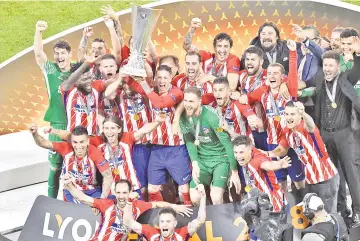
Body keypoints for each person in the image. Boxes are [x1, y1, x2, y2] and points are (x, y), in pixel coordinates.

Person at [239, 41, 305, 192]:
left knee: (299, 182)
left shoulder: (289, 89)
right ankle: (283, 210)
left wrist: (293, 53)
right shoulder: (263, 91)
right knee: (279, 183)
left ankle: (304, 208)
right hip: (272, 142)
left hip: (291, 144)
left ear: (283, 76)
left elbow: (293, 75)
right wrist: (250, 116)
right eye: (269, 73)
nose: (272, 76)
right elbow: (243, 101)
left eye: (276, 73)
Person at [46, 114, 164, 196]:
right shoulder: (97, 141)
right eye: (106, 128)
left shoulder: (127, 138)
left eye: (113, 128)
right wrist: (54, 131)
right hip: (111, 192)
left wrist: (158, 121)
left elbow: (143, 131)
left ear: (119, 129)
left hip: (132, 189)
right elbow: (71, 136)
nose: (109, 131)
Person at [127, 65, 192, 205]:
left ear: (171, 79)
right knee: (152, 189)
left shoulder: (177, 93)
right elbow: (130, 83)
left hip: (176, 148)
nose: (162, 81)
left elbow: (160, 103)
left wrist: (144, 84)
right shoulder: (152, 91)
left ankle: (188, 215)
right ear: (155, 79)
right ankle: (161, 216)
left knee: (183, 189)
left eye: (165, 78)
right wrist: (128, 71)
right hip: (156, 149)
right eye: (159, 77)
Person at [311, 49, 360, 224]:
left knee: (351, 174)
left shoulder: (345, 79)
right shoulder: (319, 79)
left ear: (338, 66)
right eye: (325, 65)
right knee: (332, 175)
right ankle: (340, 209)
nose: (327, 69)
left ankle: (358, 211)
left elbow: (357, 69)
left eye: (331, 65)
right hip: (325, 134)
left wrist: (357, 55)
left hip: (344, 134)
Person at [62, 178, 192, 241]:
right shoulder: (107, 204)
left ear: (130, 192)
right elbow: (83, 198)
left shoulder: (137, 206)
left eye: (124, 193)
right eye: (118, 193)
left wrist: (175, 206)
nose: (121, 196)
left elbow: (157, 204)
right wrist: (69, 186)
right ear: (115, 192)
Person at [267, 101, 339, 212]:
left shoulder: (305, 127)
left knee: (328, 216)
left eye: (292, 114)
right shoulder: (287, 131)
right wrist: (265, 154)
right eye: (286, 114)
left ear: (300, 116)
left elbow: (310, 125)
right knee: (313, 216)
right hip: (310, 181)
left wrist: (304, 113)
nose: (288, 117)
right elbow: (282, 150)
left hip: (325, 179)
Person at [179, 87, 241, 205]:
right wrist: (195, 163)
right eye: (185, 101)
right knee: (195, 196)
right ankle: (206, 221)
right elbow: (190, 141)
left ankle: (221, 221)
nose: (187, 105)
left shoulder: (212, 117)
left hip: (220, 159)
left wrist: (234, 172)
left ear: (199, 102)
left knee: (216, 197)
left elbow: (227, 143)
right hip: (202, 160)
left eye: (191, 101)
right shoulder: (183, 117)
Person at [34, 20, 72, 198]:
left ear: (69, 54)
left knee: (77, 166)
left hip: (77, 124)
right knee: (55, 167)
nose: (58, 56)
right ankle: (50, 202)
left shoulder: (78, 70)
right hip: (57, 124)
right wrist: (39, 32)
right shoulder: (50, 70)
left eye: (62, 53)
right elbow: (38, 54)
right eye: (56, 53)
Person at [29, 124, 113, 202]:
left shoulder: (94, 152)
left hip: (92, 191)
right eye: (75, 142)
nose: (78, 146)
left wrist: (102, 199)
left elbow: (107, 175)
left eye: (82, 142)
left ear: (87, 141)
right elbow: (44, 143)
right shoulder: (65, 147)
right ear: (71, 142)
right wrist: (35, 134)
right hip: (71, 191)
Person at [123, 184, 207, 241]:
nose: (164, 224)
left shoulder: (181, 234)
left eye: (168, 221)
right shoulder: (152, 233)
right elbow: (128, 222)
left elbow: (201, 220)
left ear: (175, 223)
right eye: (162, 221)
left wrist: (203, 196)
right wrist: (129, 202)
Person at [232, 135, 289, 213]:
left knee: (274, 224)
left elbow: (268, 165)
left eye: (241, 152)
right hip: (257, 200)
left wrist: (279, 165)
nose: (238, 156)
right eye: (235, 152)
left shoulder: (256, 160)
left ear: (249, 150)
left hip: (272, 200)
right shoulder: (250, 150)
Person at [183, 18, 241, 91]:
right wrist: (191, 29)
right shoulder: (206, 56)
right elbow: (187, 46)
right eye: (219, 46)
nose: (222, 50)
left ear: (230, 48)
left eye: (226, 46)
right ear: (214, 47)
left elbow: (232, 87)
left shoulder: (233, 60)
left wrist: (209, 77)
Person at [60, 58, 110, 135]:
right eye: (84, 79)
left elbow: (112, 81)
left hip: (92, 140)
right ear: (75, 81)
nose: (89, 81)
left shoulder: (95, 86)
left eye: (90, 78)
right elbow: (71, 79)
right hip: (74, 141)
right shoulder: (69, 89)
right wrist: (86, 63)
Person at [238, 46, 268, 150]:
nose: (249, 62)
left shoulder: (269, 75)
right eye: (247, 59)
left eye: (253, 59)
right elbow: (228, 87)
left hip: (266, 129)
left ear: (261, 61)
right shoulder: (241, 75)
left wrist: (248, 97)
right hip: (248, 129)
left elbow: (287, 81)